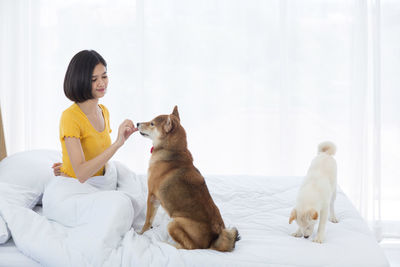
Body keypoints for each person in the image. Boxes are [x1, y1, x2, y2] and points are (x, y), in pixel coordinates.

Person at [51, 50, 137, 181]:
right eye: (94, 79)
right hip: (78, 186)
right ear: (80, 81)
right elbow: (81, 174)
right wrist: (117, 144)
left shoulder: (103, 111)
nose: (101, 83)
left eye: (104, 76)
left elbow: (95, 155)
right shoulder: (70, 117)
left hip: (99, 182)